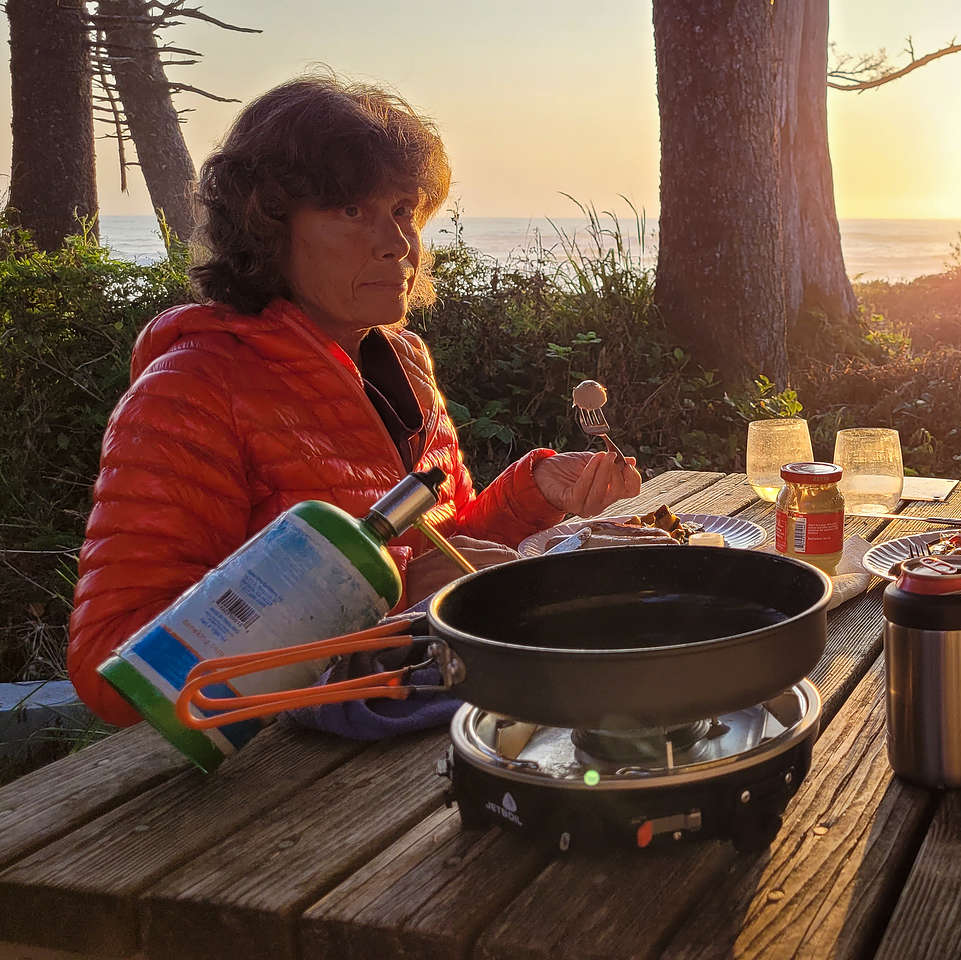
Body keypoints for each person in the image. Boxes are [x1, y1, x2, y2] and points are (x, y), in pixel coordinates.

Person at [68, 76, 641, 726]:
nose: (397, 241)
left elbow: (442, 553)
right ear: (267, 226)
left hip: (422, 732)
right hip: (276, 786)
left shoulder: (404, 363)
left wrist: (537, 491)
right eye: (350, 210)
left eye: (402, 209)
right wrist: (380, 602)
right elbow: (112, 668)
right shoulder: (194, 388)